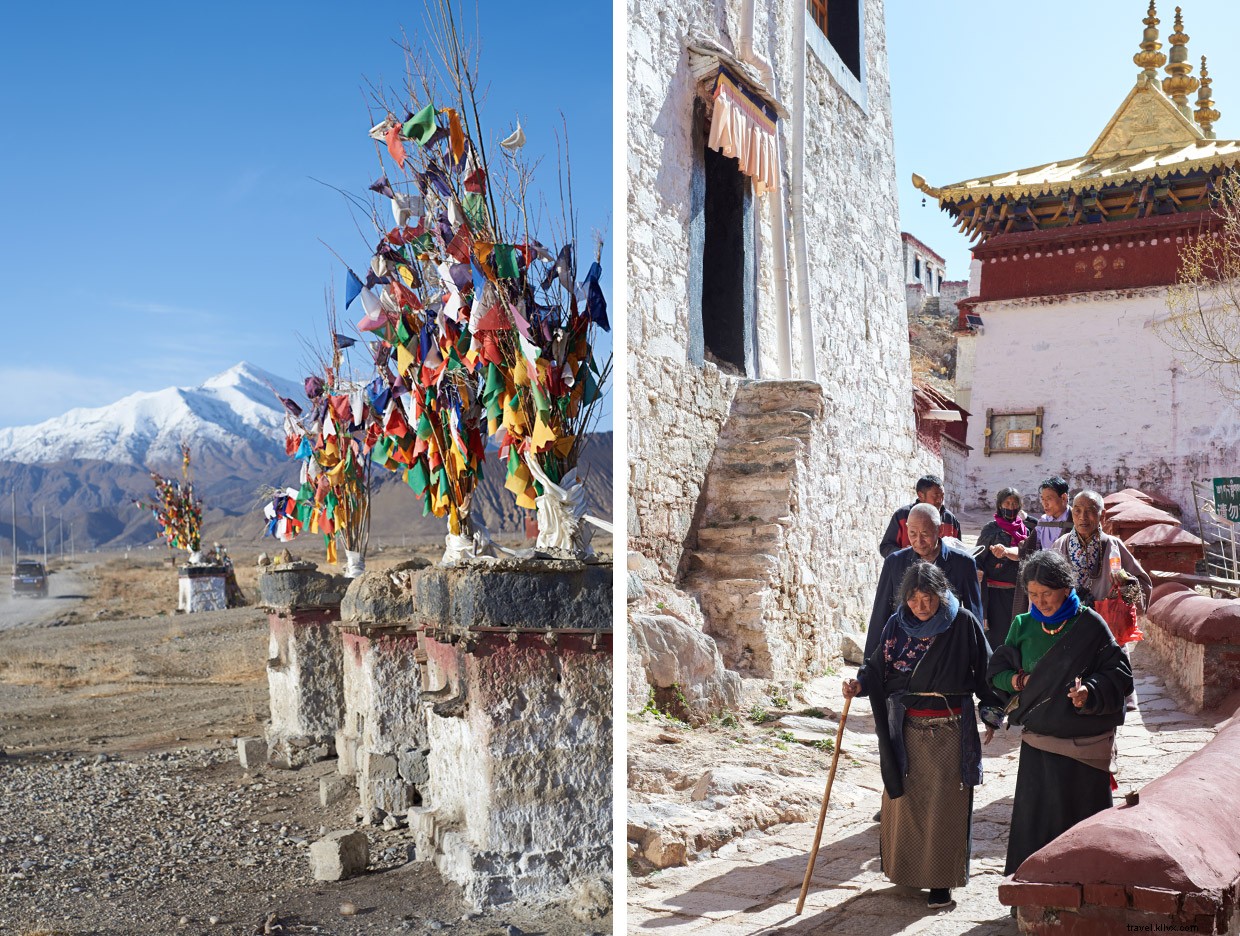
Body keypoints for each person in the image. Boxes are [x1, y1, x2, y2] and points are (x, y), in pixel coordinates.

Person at [844, 563, 1002, 910]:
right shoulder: (896, 625)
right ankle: (909, 872)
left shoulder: (962, 624)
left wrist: (990, 714)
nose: (921, 606)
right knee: (907, 805)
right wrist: (859, 684)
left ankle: (941, 883)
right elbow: (876, 666)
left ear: (941, 593)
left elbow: (987, 672)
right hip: (906, 729)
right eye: (914, 599)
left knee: (945, 807)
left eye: (928, 598)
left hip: (949, 729)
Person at [987, 550, 1133, 877]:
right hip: (1039, 747)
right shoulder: (1022, 626)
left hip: (1084, 747)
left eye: (1047, 594)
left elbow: (1119, 673)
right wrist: (1014, 680)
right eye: (1033, 595)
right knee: (1038, 824)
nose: (1041, 602)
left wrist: (1089, 692)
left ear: (1065, 589)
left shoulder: (1090, 624)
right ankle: (1034, 891)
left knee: (1083, 828)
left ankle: (1087, 892)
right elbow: (996, 672)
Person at [866, 503, 982, 663]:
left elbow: (974, 613)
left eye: (925, 534)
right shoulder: (895, 563)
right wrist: (868, 666)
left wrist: (976, 659)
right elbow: (880, 614)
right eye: (912, 534)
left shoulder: (963, 563)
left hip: (945, 651)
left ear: (940, 530)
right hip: (903, 651)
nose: (918, 541)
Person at [976, 487, 1028, 649]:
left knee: (1016, 633)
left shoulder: (1025, 529)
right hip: (995, 593)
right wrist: (979, 570)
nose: (1011, 507)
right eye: (1007, 503)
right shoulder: (990, 530)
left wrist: (1007, 552)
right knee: (997, 636)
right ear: (999, 505)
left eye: (1015, 503)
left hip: (1018, 592)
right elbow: (978, 556)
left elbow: (1027, 554)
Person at [879, 475, 964, 558]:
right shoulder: (902, 516)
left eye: (942, 495)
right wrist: (903, 553)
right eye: (936, 495)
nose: (940, 500)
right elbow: (885, 548)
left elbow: (959, 550)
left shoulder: (951, 520)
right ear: (921, 495)